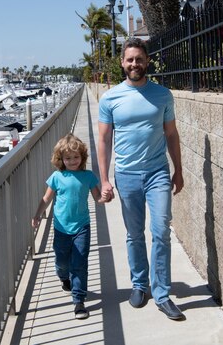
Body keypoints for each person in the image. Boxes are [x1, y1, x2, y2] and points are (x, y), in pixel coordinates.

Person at [98, 37, 185, 321]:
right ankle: (139, 284)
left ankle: (161, 293)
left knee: (160, 230)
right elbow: (104, 139)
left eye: (139, 59)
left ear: (147, 62)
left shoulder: (163, 95)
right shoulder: (110, 98)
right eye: (130, 59)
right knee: (134, 234)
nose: (135, 64)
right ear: (123, 63)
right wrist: (104, 179)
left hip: (158, 172)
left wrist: (179, 170)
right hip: (126, 175)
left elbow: (171, 134)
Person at [31, 134, 103, 320]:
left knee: (79, 263)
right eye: (68, 158)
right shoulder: (57, 177)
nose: (72, 161)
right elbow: (47, 199)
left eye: (76, 157)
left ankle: (78, 301)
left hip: (82, 226)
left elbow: (98, 198)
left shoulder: (88, 176)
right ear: (60, 159)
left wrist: (106, 196)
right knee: (62, 261)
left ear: (82, 157)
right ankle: (64, 277)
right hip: (61, 227)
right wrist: (38, 214)